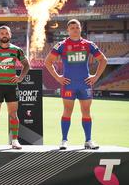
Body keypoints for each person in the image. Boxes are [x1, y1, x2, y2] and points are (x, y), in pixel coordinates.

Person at [45, 19, 107, 150]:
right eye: (72, 27)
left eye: (77, 27)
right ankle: (64, 140)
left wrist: (95, 76)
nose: (74, 29)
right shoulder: (61, 45)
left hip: (85, 84)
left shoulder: (88, 44)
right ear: (68, 30)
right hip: (69, 84)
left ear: (80, 29)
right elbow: (48, 61)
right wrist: (58, 77)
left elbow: (103, 60)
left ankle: (88, 140)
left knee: (86, 112)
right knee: (67, 111)